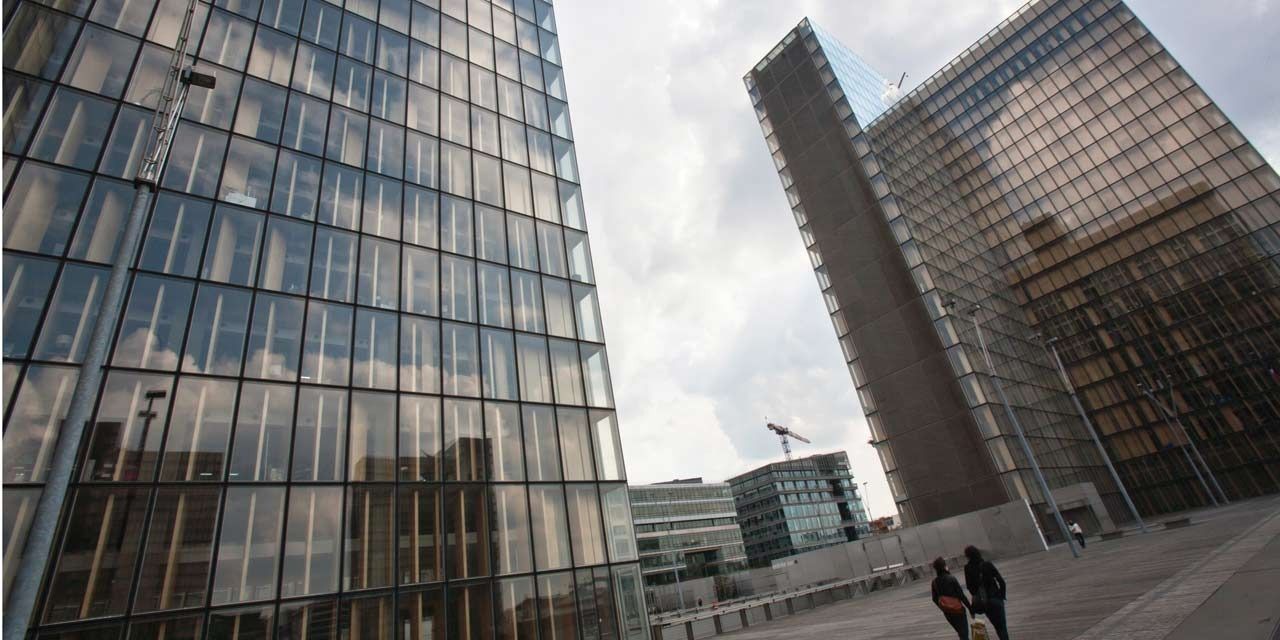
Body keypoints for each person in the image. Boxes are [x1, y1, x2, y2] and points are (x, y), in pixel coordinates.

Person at [964, 546, 1009, 640]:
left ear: (968, 556)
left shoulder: (967, 568)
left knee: (997, 626)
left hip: (984, 602)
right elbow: (1001, 581)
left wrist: (978, 594)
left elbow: (970, 587)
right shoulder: (987, 564)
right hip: (996, 597)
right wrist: (1002, 595)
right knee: (1002, 627)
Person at [930, 557, 972, 639]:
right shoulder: (951, 578)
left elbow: (934, 598)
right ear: (944, 566)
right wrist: (970, 608)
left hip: (948, 612)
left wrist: (943, 606)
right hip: (958, 609)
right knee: (964, 634)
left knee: (960, 632)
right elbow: (961, 595)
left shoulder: (934, 582)